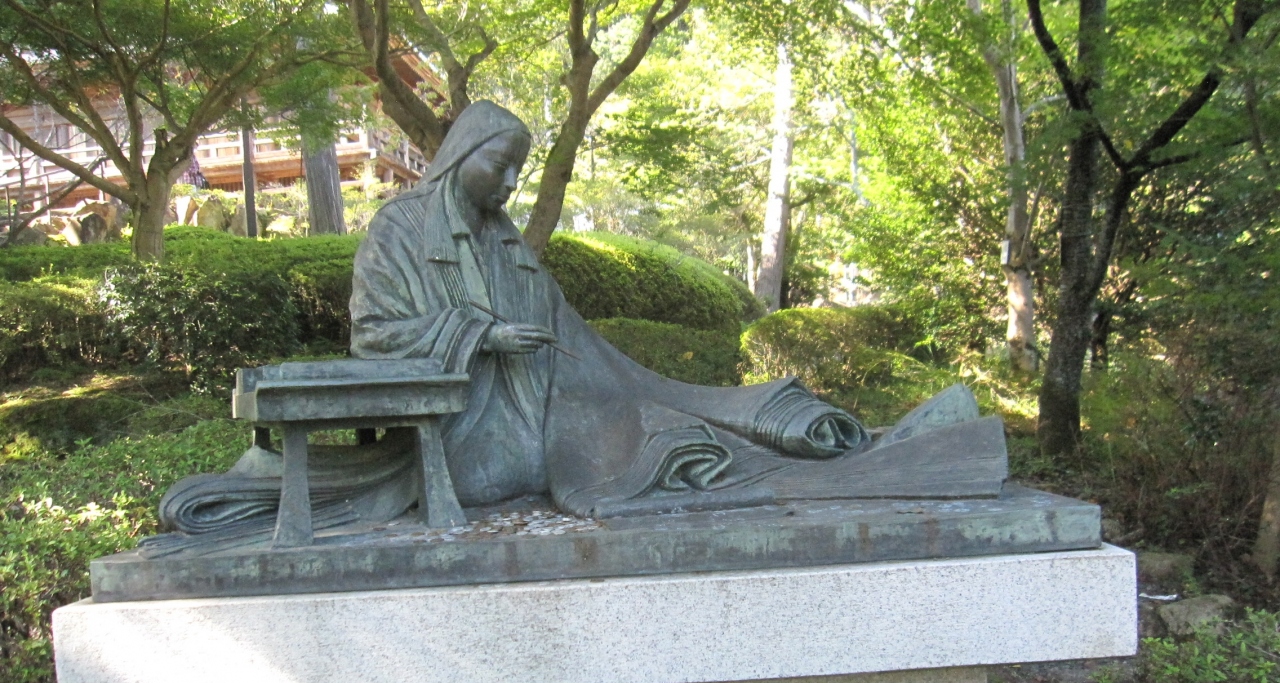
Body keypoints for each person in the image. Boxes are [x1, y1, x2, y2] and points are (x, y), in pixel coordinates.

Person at [154, 101, 1005, 544]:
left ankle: (851, 439)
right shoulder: (399, 231)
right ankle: (889, 456)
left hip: (553, 404)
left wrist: (649, 387)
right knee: (668, 448)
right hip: (477, 438)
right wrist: (480, 336)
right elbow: (375, 336)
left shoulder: (507, 244)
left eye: (517, 171)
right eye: (500, 166)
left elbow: (578, 342)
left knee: (670, 418)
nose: (509, 185)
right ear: (461, 157)